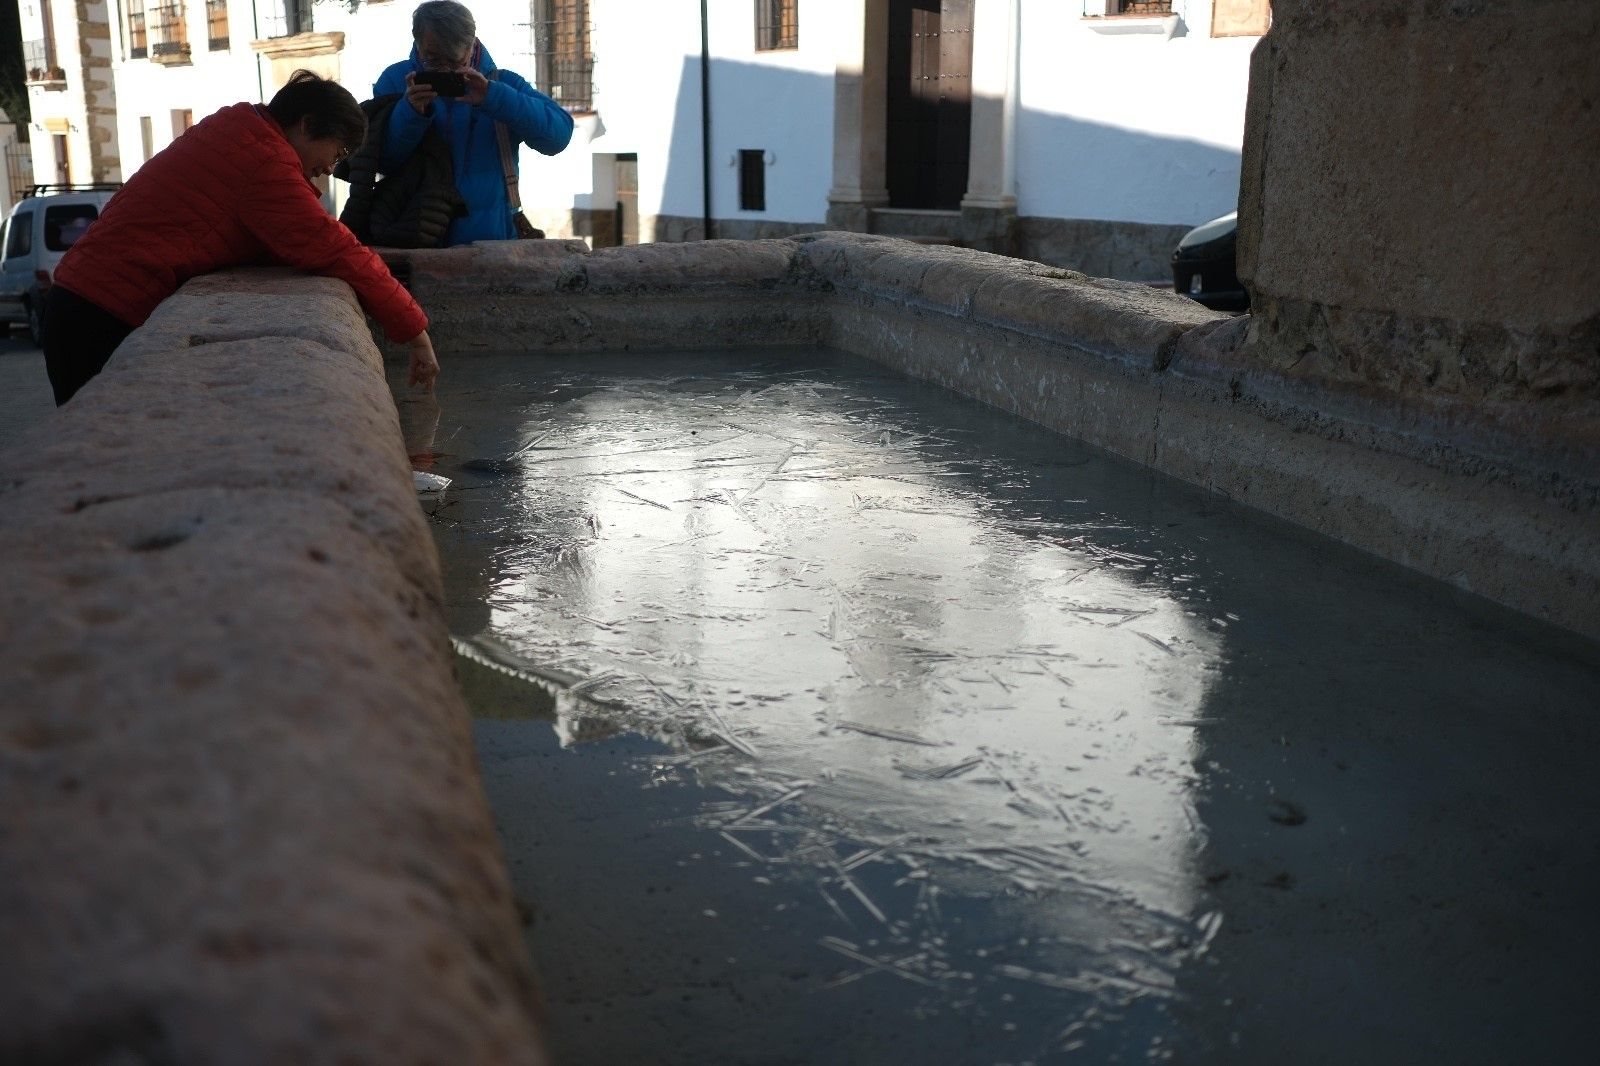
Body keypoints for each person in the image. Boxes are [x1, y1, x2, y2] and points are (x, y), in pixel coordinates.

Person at [43, 70, 438, 407]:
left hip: (82, 297)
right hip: (99, 312)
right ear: (306, 125)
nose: (330, 169)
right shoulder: (264, 161)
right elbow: (333, 246)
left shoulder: (239, 127)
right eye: (337, 152)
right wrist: (415, 331)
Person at [373, 0, 574, 246]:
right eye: (432, 60)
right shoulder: (394, 81)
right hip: (415, 239)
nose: (444, 70)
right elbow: (382, 161)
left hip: (493, 245)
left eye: (454, 62)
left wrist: (494, 97)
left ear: (472, 46)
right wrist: (410, 113)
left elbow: (558, 137)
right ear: (417, 43)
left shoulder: (503, 84)